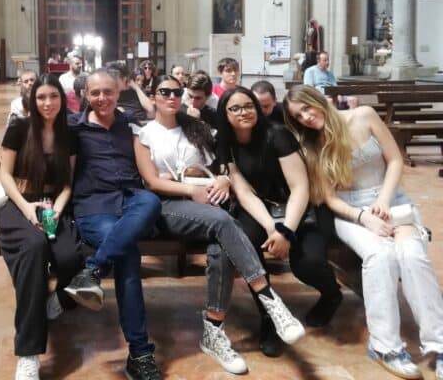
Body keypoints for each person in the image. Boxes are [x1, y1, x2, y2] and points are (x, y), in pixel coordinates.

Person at [134, 76, 304, 374]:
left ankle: (213, 330)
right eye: (164, 92)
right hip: (168, 206)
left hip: (208, 206)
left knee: (221, 246)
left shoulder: (196, 128)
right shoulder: (144, 134)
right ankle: (268, 297)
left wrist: (224, 180)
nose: (172, 97)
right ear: (154, 96)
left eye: (177, 91)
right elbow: (152, 182)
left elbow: (221, 166)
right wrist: (191, 190)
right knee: (225, 222)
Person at [285, 85, 443, 380]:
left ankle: (439, 343)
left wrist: (383, 200)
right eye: (298, 116)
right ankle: (385, 347)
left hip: (391, 199)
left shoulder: (364, 115)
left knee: (412, 255)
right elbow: (329, 198)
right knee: (380, 256)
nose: (306, 117)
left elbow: (395, 160)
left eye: (307, 107)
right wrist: (363, 216)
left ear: (318, 100)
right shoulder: (312, 146)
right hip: (350, 211)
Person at [215, 86, 342, 357]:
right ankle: (271, 317)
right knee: (245, 246)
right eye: (234, 108)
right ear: (225, 115)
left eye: (248, 105)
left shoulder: (277, 135)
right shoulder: (225, 142)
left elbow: (300, 188)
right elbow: (244, 192)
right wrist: (271, 226)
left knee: (307, 264)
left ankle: (332, 294)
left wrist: (285, 231)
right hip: (262, 208)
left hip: (300, 207)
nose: (243, 112)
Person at [63, 68, 164, 380]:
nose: (102, 98)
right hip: (94, 206)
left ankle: (92, 270)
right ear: (86, 95)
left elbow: (166, 115)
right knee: (127, 255)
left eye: (108, 92)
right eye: (95, 93)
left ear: (119, 93)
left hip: (131, 200)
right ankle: (140, 353)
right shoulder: (74, 128)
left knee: (151, 201)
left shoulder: (129, 123)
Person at [0, 74, 84, 380]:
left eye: (53, 96)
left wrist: (56, 210)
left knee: (71, 257)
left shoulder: (68, 134)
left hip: (53, 204)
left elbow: (67, 183)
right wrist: (27, 208)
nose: (48, 103)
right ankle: (28, 354)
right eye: (41, 97)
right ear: (33, 100)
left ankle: (57, 299)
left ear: (62, 98)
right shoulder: (19, 128)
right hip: (19, 203)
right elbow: (5, 175)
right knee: (34, 250)